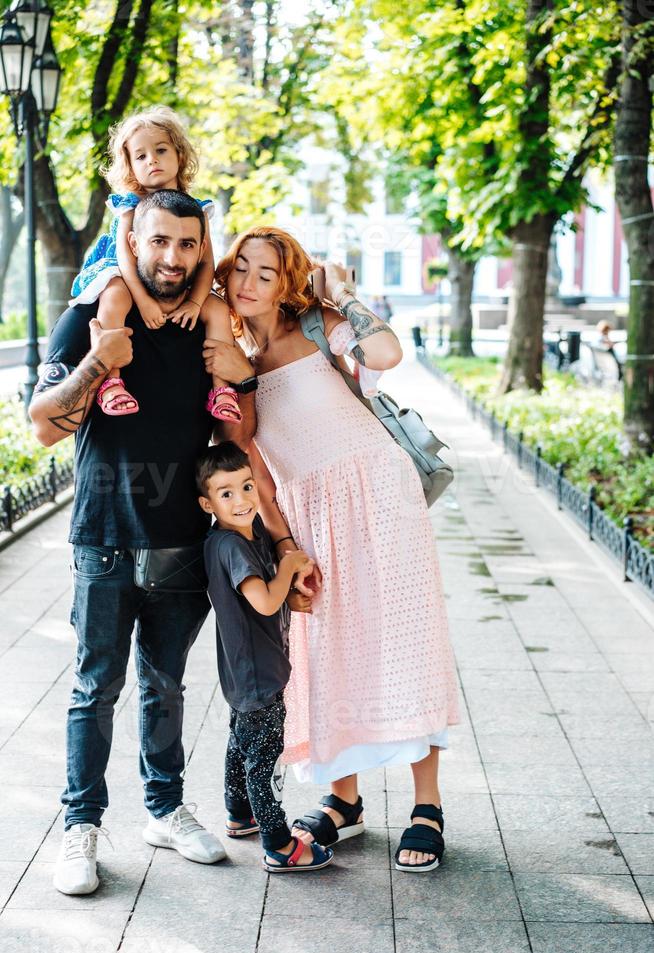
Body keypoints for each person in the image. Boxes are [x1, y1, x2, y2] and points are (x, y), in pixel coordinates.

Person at [207, 226, 460, 873]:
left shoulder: (318, 323)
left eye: (267, 272)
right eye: (242, 269)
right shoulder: (227, 361)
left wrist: (345, 296)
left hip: (379, 495)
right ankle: (343, 800)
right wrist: (286, 545)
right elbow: (256, 468)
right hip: (304, 513)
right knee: (324, 650)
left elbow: (388, 352)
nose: (250, 283)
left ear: (288, 281)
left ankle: (425, 806)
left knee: (403, 641)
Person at [29, 189, 257, 896]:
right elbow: (41, 424)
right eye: (159, 242)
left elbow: (237, 434)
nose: (173, 258)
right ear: (136, 239)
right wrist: (99, 362)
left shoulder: (207, 326)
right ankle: (80, 827)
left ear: (201, 248)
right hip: (105, 536)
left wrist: (234, 379)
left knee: (165, 684)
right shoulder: (92, 313)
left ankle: (163, 809)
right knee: (97, 687)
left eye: (187, 244)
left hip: (183, 539)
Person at [197, 441, 333, 873]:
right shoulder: (233, 546)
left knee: (241, 743)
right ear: (207, 503)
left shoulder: (239, 538)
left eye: (247, 486)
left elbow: (263, 600)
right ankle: (278, 844)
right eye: (226, 493)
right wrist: (291, 567)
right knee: (264, 757)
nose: (241, 500)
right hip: (258, 672)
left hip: (242, 670)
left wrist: (289, 596)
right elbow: (262, 603)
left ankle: (239, 814)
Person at [70, 106, 241, 423]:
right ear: (131, 165)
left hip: (178, 279)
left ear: (179, 154)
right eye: (141, 156)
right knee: (114, 293)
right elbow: (124, 255)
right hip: (127, 273)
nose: (152, 160)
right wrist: (144, 301)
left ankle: (221, 390)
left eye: (161, 150)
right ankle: (112, 381)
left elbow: (205, 263)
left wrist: (194, 301)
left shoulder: (195, 209)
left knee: (217, 309)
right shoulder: (129, 204)